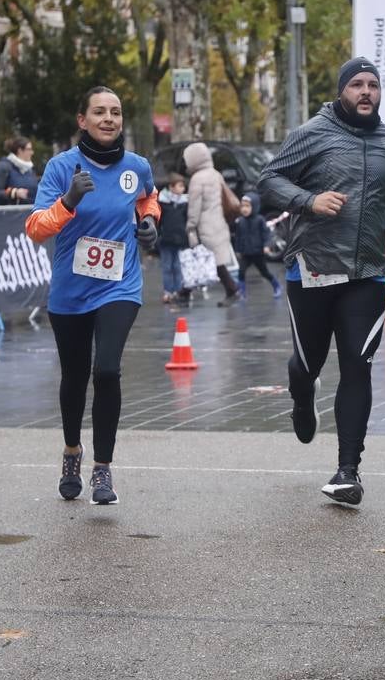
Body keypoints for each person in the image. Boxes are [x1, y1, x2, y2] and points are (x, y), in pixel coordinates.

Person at [258, 56, 385, 506]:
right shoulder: (312, 134)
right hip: (313, 267)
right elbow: (268, 180)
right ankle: (302, 394)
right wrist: (308, 200)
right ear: (342, 90)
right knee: (307, 362)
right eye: (357, 85)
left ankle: (348, 470)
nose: (366, 92)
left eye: (373, 85)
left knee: (357, 364)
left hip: (366, 272)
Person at [25, 86, 160, 506]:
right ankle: (71, 452)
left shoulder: (136, 167)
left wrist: (150, 221)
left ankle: (103, 469)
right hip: (71, 289)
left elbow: (148, 198)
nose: (108, 119)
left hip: (120, 285)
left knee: (106, 370)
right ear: (81, 120)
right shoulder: (61, 167)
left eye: (115, 113)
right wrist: (68, 200)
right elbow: (35, 228)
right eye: (99, 112)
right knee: (75, 376)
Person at [182, 141, 241, 307]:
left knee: (203, 258)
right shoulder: (216, 174)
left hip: (205, 225)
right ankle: (185, 291)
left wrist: (191, 226)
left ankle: (185, 291)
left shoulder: (197, 179)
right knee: (214, 261)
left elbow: (195, 206)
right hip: (219, 222)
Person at [231, 193, 281, 299]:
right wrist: (238, 250)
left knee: (264, 272)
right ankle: (242, 292)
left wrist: (267, 246)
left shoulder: (260, 220)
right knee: (241, 272)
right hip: (246, 253)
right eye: (242, 206)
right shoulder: (240, 221)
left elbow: (266, 234)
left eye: (247, 206)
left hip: (258, 253)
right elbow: (238, 237)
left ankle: (276, 285)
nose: (244, 209)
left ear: (254, 206)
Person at [157, 173, 191, 305]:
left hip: (180, 239)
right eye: (180, 186)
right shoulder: (162, 201)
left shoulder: (185, 202)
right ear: (171, 187)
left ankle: (178, 291)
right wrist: (159, 234)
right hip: (166, 239)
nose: (183, 188)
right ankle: (168, 292)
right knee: (167, 267)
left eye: (183, 186)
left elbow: (187, 219)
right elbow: (159, 221)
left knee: (178, 266)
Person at [0, 136, 39, 205]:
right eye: (29, 149)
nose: (32, 153)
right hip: (9, 214)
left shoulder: (29, 169)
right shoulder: (3, 166)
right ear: (20, 151)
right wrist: (14, 193)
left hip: (28, 212)